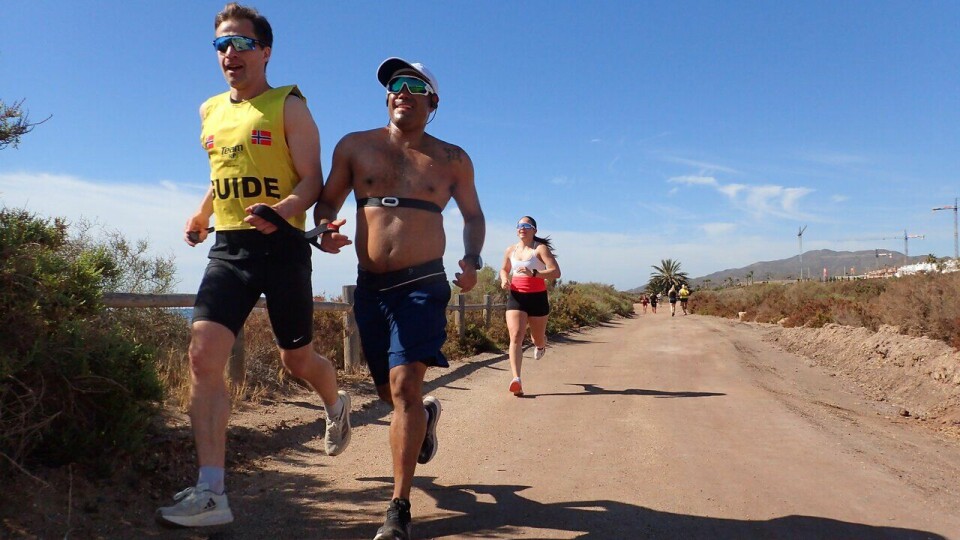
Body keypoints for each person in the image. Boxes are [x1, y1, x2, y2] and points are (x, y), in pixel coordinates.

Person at [157, 3, 351, 528]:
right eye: (221, 45)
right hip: (230, 250)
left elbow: (311, 179)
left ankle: (335, 405)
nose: (229, 53)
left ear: (265, 51)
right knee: (202, 357)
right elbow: (221, 172)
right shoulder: (209, 111)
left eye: (241, 43)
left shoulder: (288, 105)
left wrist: (285, 211)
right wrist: (201, 216)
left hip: (283, 246)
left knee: (297, 362)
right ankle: (211, 492)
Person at [313, 57, 485, 540]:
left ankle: (398, 509)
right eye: (393, 85)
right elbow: (328, 199)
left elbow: (473, 215)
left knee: (405, 385)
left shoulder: (452, 158)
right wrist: (324, 226)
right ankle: (426, 416)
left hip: (423, 284)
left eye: (413, 85)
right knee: (390, 393)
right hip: (371, 289)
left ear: (433, 101)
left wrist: (472, 260)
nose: (400, 91)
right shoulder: (355, 146)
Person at [498, 216, 561, 397]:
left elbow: (556, 272)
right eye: (519, 226)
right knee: (516, 335)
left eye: (526, 226)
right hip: (516, 296)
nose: (522, 228)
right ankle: (516, 379)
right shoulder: (511, 249)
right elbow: (504, 269)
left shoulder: (540, 249)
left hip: (537, 297)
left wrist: (534, 273)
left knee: (536, 338)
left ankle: (541, 345)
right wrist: (504, 279)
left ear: (534, 230)